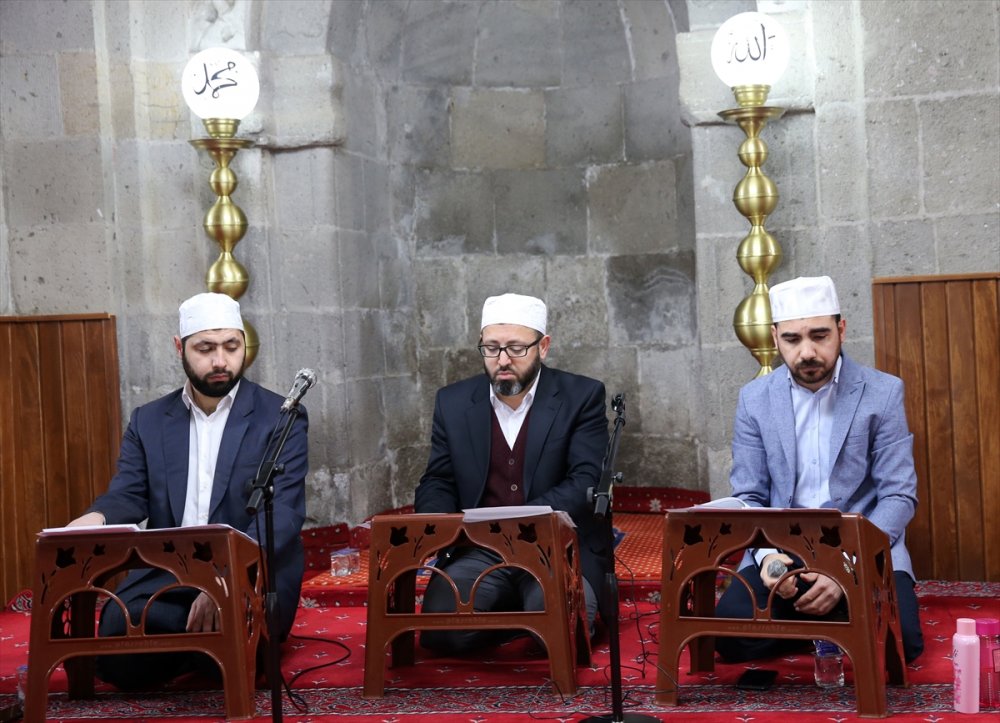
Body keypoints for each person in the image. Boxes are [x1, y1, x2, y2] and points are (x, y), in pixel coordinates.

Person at [66, 292, 309, 689]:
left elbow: (282, 514)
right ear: (180, 348)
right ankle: (194, 646)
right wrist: (94, 519)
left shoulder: (280, 417)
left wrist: (225, 583)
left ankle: (196, 646)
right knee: (117, 645)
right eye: (205, 349)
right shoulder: (148, 421)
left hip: (249, 574)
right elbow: (129, 495)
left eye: (231, 346)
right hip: (168, 574)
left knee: (234, 640)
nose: (220, 361)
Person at [715, 275, 924, 664]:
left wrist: (845, 572)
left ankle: (812, 624)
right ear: (775, 337)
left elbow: (898, 495)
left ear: (841, 330)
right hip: (781, 546)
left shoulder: (882, 392)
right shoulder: (755, 399)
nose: (807, 352)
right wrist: (770, 560)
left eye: (819, 335)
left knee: (902, 646)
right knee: (728, 638)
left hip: (861, 546)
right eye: (792, 339)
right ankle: (835, 628)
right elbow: (749, 495)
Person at [414, 293, 609, 653]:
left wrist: (516, 521)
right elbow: (439, 479)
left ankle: (520, 616)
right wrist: (437, 527)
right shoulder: (452, 402)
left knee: (556, 631)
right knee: (442, 633)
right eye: (491, 348)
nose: (502, 360)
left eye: (516, 349)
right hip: (481, 548)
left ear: (543, 347)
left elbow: (585, 481)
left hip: (557, 547)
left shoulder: (581, 396)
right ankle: (512, 616)